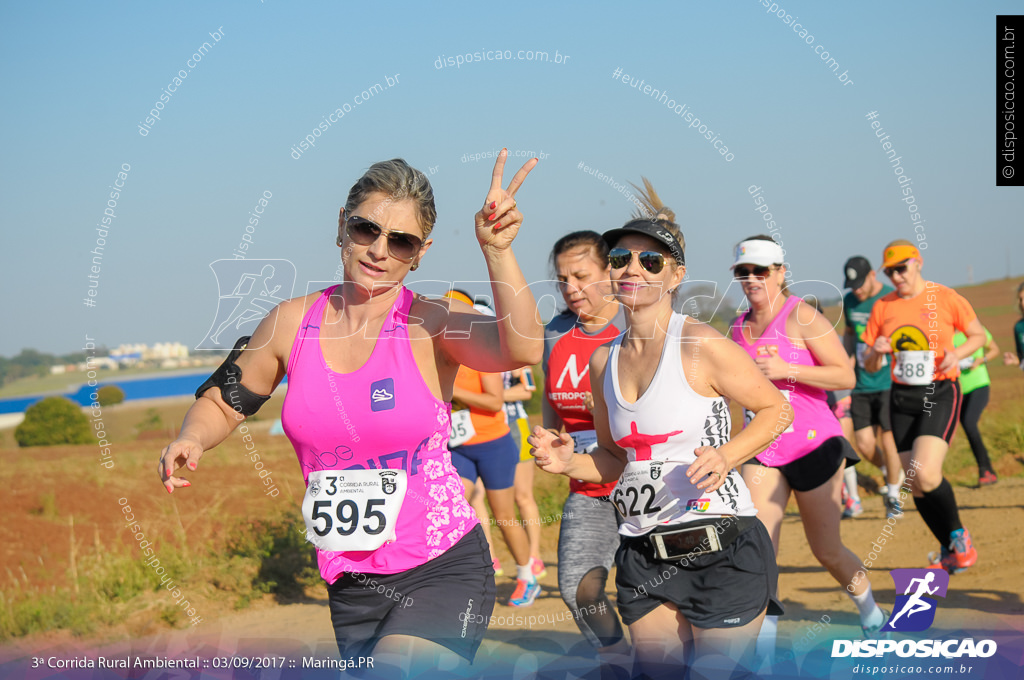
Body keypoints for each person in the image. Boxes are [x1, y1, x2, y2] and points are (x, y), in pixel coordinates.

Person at [158, 152, 542, 677]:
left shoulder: (433, 322)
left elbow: (519, 349)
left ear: (420, 253)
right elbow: (226, 400)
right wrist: (194, 437)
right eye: (367, 229)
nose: (380, 250)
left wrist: (498, 252)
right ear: (342, 224)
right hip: (351, 581)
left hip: (442, 564)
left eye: (401, 241)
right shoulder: (289, 323)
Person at [532, 205, 790, 679]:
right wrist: (569, 462)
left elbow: (778, 409)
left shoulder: (700, 345)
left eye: (650, 262)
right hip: (645, 554)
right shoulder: (602, 362)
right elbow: (612, 461)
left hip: (722, 551)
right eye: (620, 258)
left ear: (675, 276)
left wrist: (727, 455)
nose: (632, 268)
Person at [728, 236, 887, 659]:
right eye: (743, 272)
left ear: (780, 272)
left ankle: (870, 611)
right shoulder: (735, 329)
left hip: (815, 445)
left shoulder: (802, 315)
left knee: (827, 550)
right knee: (761, 549)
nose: (751, 279)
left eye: (760, 271)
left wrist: (786, 368)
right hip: (763, 449)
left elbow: (845, 377)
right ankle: (765, 650)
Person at [862, 239, 986, 574]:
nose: (896, 277)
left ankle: (960, 536)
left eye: (901, 268)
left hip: (941, 390)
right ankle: (949, 550)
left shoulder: (945, 298)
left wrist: (956, 355)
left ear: (917, 263)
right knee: (914, 482)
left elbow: (978, 335)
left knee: (927, 473)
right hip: (902, 398)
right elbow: (870, 364)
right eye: (890, 272)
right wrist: (877, 352)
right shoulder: (883, 307)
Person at [542, 230, 631, 669]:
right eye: (562, 279)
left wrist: (613, 411)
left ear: (610, 273)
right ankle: (617, 660)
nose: (571, 288)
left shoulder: (636, 325)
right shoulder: (555, 331)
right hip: (586, 481)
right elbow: (549, 395)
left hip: (644, 483)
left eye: (581, 276)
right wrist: (548, 434)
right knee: (580, 585)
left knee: (647, 590)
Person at [446, 291, 539, 607]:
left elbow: (495, 400)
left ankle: (527, 576)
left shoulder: (481, 356)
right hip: (458, 447)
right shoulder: (440, 357)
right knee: (455, 509)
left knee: (504, 515)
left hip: (493, 445)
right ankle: (466, 576)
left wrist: (454, 391)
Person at [841, 256, 903, 518]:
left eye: (860, 283)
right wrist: (844, 365)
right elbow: (850, 333)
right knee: (865, 445)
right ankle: (892, 472)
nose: (856, 289)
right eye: (851, 284)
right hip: (861, 383)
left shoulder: (892, 297)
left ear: (873, 276)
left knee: (888, 437)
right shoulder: (850, 302)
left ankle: (893, 496)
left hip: (890, 380)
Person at [502, 366, 546, 576]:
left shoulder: (515, 356)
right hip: (481, 429)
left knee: (523, 496)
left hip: (515, 424)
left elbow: (528, 389)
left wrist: (492, 396)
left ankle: (535, 556)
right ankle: (492, 560)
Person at [953, 326, 999, 486]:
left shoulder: (975, 331)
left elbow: (994, 350)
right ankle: (987, 470)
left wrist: (981, 360)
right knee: (966, 426)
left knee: (969, 422)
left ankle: (985, 470)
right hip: (959, 389)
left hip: (979, 384)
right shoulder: (944, 336)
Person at [1003, 281, 1024, 369]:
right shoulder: (1019, 327)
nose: (1022, 303)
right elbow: (1022, 359)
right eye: (1021, 299)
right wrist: (1016, 360)